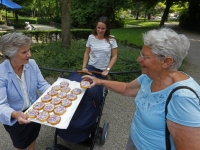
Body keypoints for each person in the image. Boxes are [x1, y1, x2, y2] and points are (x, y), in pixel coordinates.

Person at [82, 28, 200, 150]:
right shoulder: (149, 77)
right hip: (135, 141)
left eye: (145, 56)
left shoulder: (183, 98)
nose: (139, 59)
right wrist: (99, 81)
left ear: (166, 61)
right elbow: (126, 88)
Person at [0, 32, 51, 150]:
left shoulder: (31, 64)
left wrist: (57, 93)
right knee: (20, 144)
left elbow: (42, 84)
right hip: (16, 118)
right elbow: (1, 104)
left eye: (29, 50)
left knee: (33, 137)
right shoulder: (1, 73)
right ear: (10, 54)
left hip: (34, 111)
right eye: (24, 52)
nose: (29, 54)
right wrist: (15, 114)